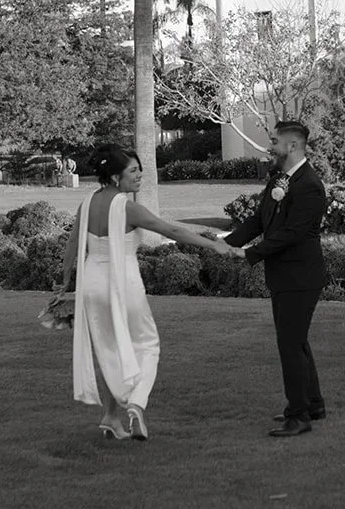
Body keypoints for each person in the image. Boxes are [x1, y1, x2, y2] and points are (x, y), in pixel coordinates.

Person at [56, 142, 239, 441]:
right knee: (147, 344)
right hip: (122, 282)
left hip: (91, 284)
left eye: (139, 169)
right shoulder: (127, 207)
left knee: (111, 349)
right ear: (115, 177)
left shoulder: (87, 203)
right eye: (133, 171)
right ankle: (137, 404)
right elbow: (172, 231)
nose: (140, 175)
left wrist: (64, 283)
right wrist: (214, 244)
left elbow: (72, 245)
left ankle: (110, 417)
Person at [224, 121, 329, 438]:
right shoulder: (279, 178)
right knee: (296, 342)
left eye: (274, 141)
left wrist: (251, 254)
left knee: (289, 345)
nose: (270, 146)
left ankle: (298, 416)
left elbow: (292, 234)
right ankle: (313, 405)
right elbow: (260, 220)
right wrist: (227, 243)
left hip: (300, 276)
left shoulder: (309, 185)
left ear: (293, 145)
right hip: (284, 276)